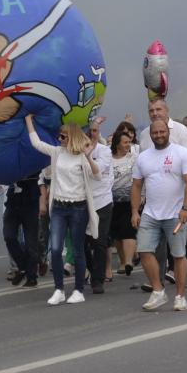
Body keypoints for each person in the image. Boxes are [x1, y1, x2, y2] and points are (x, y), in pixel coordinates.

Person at [25, 115, 100, 305]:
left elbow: (96, 175)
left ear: (72, 137)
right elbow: (37, 144)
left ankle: (78, 290)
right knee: (56, 249)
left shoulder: (82, 157)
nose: (60, 140)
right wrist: (28, 121)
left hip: (78, 208)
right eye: (59, 136)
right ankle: (59, 289)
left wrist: (88, 156)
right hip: (58, 206)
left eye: (63, 137)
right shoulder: (57, 153)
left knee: (77, 251)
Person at [131, 119, 187, 311]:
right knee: (144, 250)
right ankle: (158, 291)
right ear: (150, 135)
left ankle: (180, 296)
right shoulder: (143, 157)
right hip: (151, 213)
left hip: (175, 213)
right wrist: (135, 211)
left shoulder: (181, 153)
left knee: (178, 255)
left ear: (167, 131)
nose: (158, 135)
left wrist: (186, 208)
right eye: (155, 133)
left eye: (162, 132)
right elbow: (136, 186)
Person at [84, 118, 114, 294]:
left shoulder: (104, 151)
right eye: (88, 131)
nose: (91, 134)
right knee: (82, 241)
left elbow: (97, 172)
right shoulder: (76, 152)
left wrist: (88, 156)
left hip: (102, 201)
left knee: (99, 241)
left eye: (94, 131)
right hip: (83, 201)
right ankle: (93, 269)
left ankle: (98, 280)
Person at [109, 125, 138, 278]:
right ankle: (122, 261)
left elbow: (139, 179)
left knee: (128, 230)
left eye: (129, 142)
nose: (128, 145)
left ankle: (128, 261)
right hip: (112, 201)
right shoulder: (108, 158)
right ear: (117, 143)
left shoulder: (133, 158)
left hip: (129, 200)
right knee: (117, 234)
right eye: (125, 142)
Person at [4, 172, 41, 288]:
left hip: (30, 200)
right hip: (12, 201)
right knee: (9, 236)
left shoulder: (33, 154)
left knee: (31, 244)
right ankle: (23, 267)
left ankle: (32, 277)